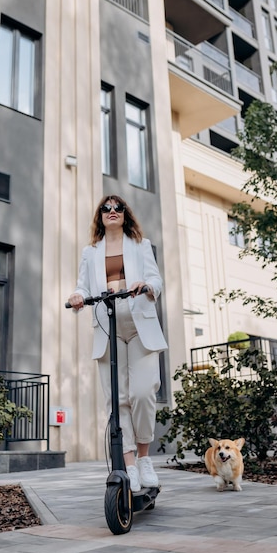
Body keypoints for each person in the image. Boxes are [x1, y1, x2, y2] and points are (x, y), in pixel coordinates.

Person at [68, 194, 167, 492]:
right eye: (106, 208)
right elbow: (82, 286)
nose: (112, 211)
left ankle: (145, 457)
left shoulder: (141, 245)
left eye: (118, 207)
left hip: (140, 328)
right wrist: (76, 297)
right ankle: (131, 465)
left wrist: (146, 285)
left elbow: (156, 281)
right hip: (108, 328)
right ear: (100, 215)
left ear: (125, 214)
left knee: (142, 393)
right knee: (118, 400)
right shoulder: (90, 252)